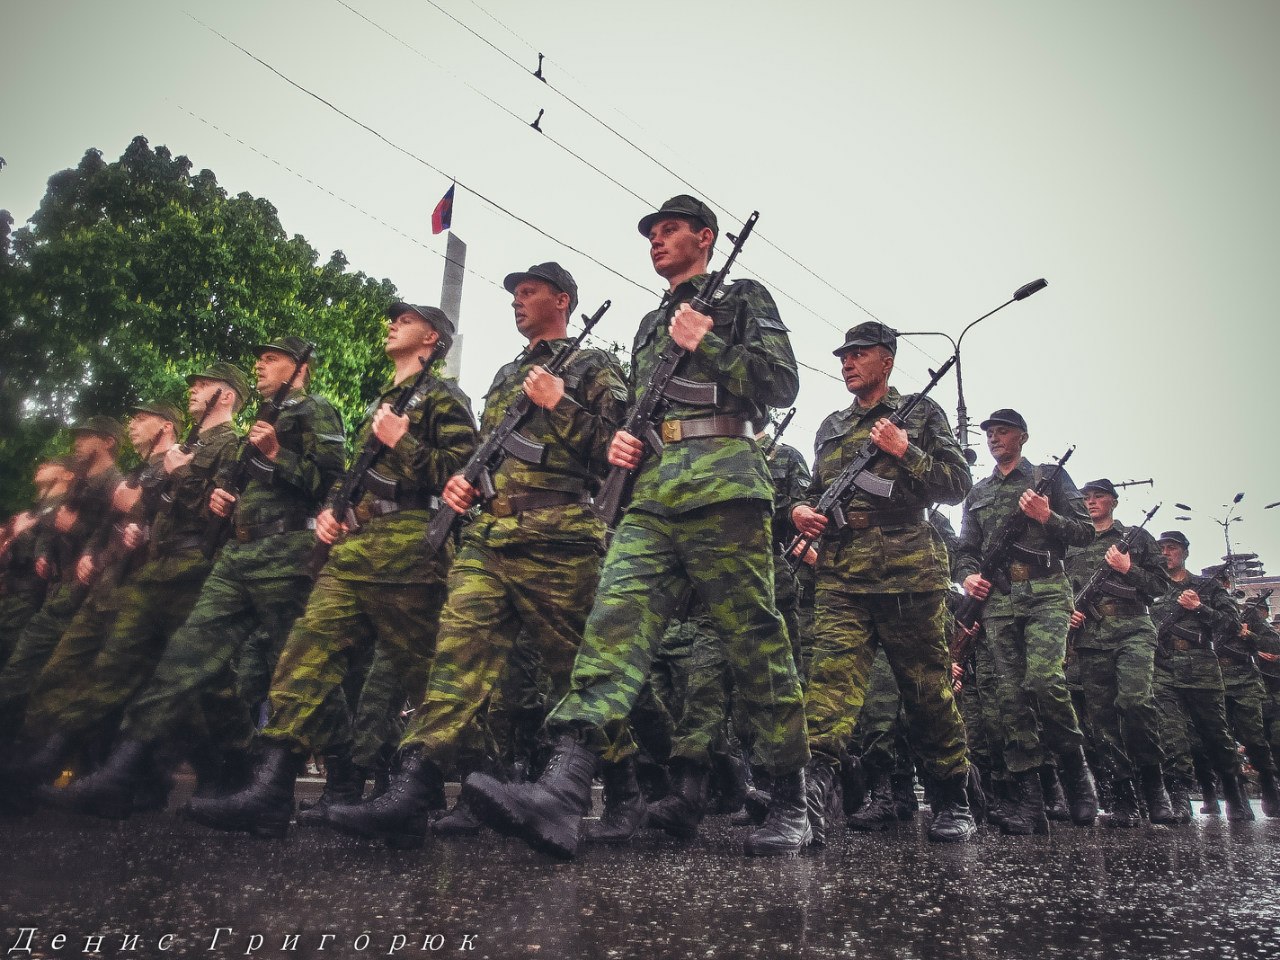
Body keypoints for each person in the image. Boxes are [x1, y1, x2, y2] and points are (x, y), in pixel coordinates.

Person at [464, 195, 810, 858]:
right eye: (651, 232)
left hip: (723, 484)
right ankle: (562, 794)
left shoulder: (741, 298)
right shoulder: (653, 322)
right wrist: (628, 441)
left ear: (705, 238)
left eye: (670, 230)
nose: (656, 239)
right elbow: (641, 413)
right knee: (610, 631)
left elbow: (780, 382)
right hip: (652, 497)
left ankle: (792, 799)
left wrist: (705, 341)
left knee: (754, 643)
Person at [325, 262, 626, 848]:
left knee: (577, 673)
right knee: (454, 662)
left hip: (559, 534)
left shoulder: (592, 366)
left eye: (529, 292)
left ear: (561, 300)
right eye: (513, 293)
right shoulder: (508, 372)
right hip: (490, 537)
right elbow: (492, 456)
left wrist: (561, 403)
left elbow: (616, 452)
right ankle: (415, 787)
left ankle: (629, 786)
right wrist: (466, 483)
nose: (516, 301)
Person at [187, 302, 477, 838]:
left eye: (405, 320)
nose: (391, 323)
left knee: (429, 673)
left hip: (409, 547)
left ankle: (474, 784)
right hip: (355, 545)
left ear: (431, 339)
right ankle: (272, 789)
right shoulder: (386, 400)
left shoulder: (442, 398)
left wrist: (402, 440)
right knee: (305, 655)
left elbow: (462, 477)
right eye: (391, 317)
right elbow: (355, 477)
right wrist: (333, 512)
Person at [46, 339, 347, 814]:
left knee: (297, 669)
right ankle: (123, 770)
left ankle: (341, 775)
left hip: (287, 553)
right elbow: (251, 487)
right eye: (260, 357)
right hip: (239, 555)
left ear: (300, 366)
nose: (261, 364)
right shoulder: (259, 421)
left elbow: (331, 485)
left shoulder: (317, 411)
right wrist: (226, 501)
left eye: (272, 358)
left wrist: (274, 455)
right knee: (184, 659)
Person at [791, 321, 975, 844]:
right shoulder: (830, 426)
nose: (847, 362)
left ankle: (951, 797)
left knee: (928, 693)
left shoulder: (919, 414)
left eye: (858, 354)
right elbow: (811, 488)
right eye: (843, 355)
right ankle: (808, 803)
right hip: (842, 574)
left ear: (887, 360)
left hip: (907, 573)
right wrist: (800, 510)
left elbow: (956, 484)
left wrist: (904, 450)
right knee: (828, 690)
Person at [955, 409, 1096, 834]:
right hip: (999, 600)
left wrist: (1045, 516)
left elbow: (1085, 532)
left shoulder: (1048, 479)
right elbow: (964, 549)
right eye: (990, 433)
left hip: (1047, 593)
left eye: (1003, 432)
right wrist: (968, 575)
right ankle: (1030, 801)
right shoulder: (977, 492)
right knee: (1010, 698)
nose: (995, 439)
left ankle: (1075, 769)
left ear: (1023, 437)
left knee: (1044, 681)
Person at [1064, 478, 1176, 826]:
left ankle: (1156, 787)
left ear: (1113, 501)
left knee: (1135, 702)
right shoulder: (1072, 541)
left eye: (1098, 496)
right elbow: (1060, 587)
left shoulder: (1137, 539)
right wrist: (1069, 609)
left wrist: (1129, 569)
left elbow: (1160, 587)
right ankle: (1123, 798)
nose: (1091, 502)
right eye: (1086, 497)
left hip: (1133, 630)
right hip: (1091, 637)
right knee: (1103, 721)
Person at [1150, 531, 1251, 821]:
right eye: (1161, 548)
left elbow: (1232, 626)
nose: (1166, 553)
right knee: (1171, 735)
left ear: (1185, 552)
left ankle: (1234, 793)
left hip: (1201, 667)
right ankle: (1180, 798)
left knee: (1215, 734)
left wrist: (1199, 608)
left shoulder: (1207, 587)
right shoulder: (1149, 587)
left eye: (1172, 548)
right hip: (1162, 668)